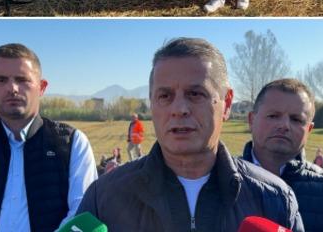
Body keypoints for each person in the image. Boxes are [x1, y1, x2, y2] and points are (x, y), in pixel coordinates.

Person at [77, 38, 304, 231]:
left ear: (226, 103)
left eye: (195, 94)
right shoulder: (103, 197)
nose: (179, 109)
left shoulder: (276, 200)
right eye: (165, 96)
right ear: (152, 104)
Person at [0, 43, 97, 232]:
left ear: (42, 87)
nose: (12, 88)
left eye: (22, 79)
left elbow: (82, 213)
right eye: (1, 80)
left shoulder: (72, 143)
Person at [242, 78, 323, 232]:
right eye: (273, 116)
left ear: (309, 129)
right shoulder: (218, 179)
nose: (284, 125)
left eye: (296, 119)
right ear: (251, 120)